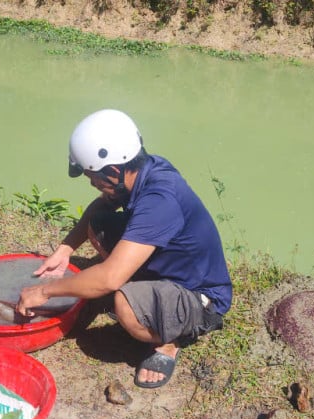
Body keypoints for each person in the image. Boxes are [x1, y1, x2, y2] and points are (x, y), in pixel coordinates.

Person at [16, 109, 232, 388]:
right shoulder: (143, 169)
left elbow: (109, 278)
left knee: (123, 304)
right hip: (170, 267)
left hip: (201, 297)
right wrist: (66, 248)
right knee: (99, 223)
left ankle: (171, 340)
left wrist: (43, 291)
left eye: (91, 176)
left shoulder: (159, 200)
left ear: (114, 170)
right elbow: (102, 206)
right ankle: (143, 292)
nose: (91, 183)